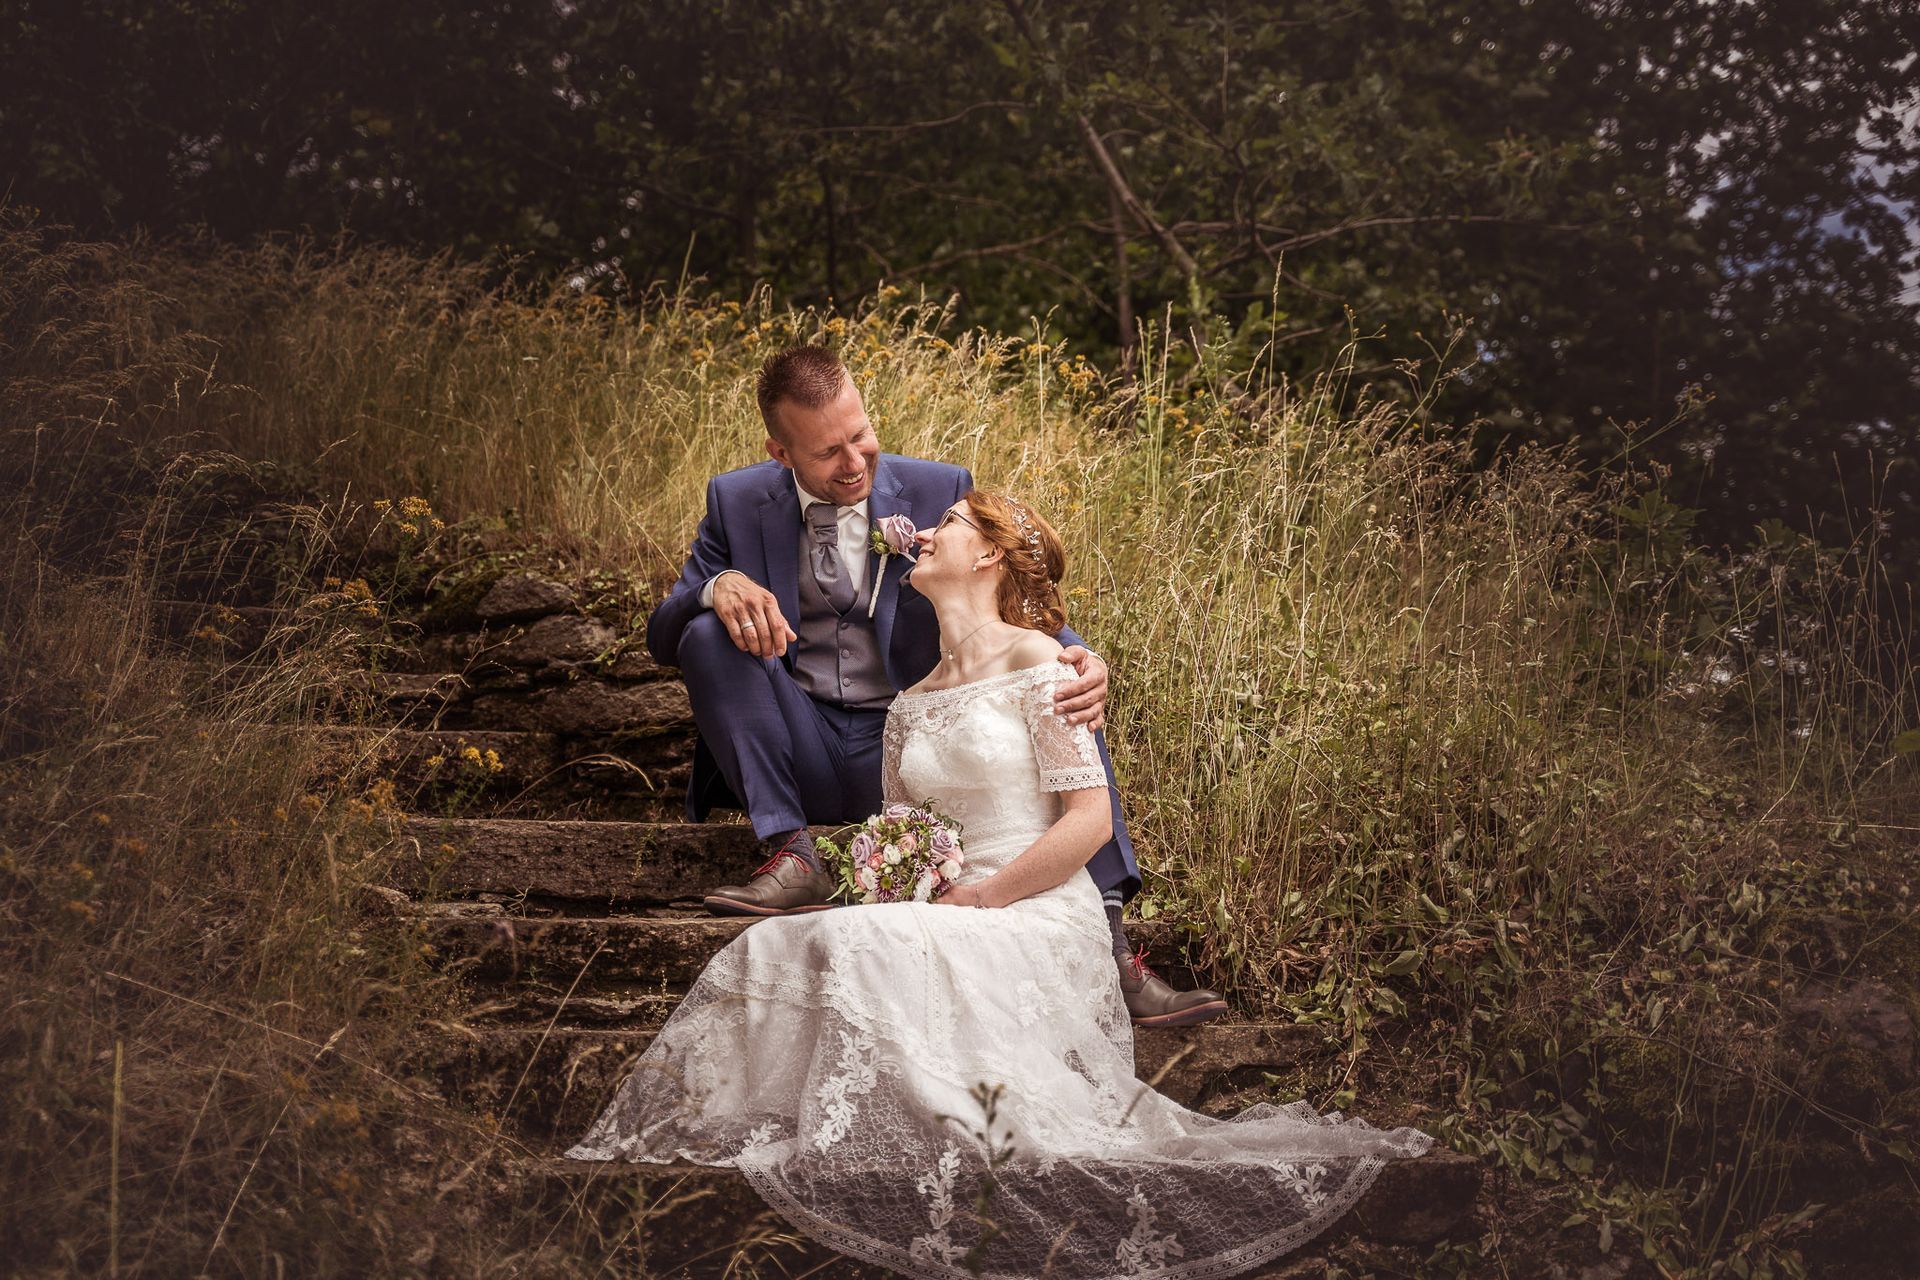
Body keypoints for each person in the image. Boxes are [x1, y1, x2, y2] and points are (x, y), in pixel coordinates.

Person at [568, 490, 1435, 1279]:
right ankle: (769, 1120)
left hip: (1034, 909)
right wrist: (898, 878)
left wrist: (985, 896)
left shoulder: (1044, 664)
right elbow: (904, 835)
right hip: (949, 906)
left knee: (847, 939)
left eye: (945, 525)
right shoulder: (908, 703)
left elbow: (1089, 823)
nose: (924, 533)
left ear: (986, 557)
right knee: (772, 941)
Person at [645, 343, 1222, 1025]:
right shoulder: (735, 501)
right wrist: (720, 584)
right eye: (828, 452)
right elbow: (663, 636)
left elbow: (1006, 594)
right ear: (781, 453)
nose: (855, 462)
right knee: (707, 633)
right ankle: (792, 849)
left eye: (861, 435)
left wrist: (1080, 655)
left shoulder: (937, 487)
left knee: (1064, 692)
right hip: (797, 746)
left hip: (905, 754)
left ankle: (1114, 948)